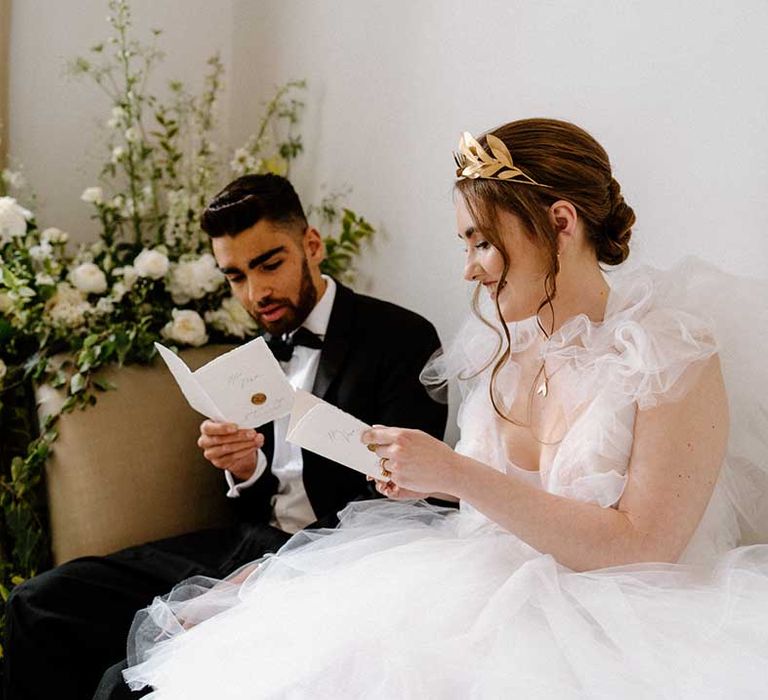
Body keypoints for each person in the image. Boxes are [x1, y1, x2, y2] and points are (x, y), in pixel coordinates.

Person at [118, 119, 768, 698]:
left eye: (482, 242)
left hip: (619, 621)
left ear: (562, 223)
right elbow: (477, 519)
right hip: (473, 580)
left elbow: (644, 546)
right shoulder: (496, 346)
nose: (468, 270)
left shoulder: (667, 349)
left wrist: (456, 475)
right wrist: (411, 478)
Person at [3, 174, 448, 700]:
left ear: (312, 245)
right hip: (246, 543)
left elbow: (397, 502)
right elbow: (264, 495)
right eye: (235, 276)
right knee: (36, 605)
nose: (255, 293)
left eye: (269, 264)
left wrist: (267, 576)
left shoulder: (402, 338)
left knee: (125, 686)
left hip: (332, 564)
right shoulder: (253, 349)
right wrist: (246, 470)